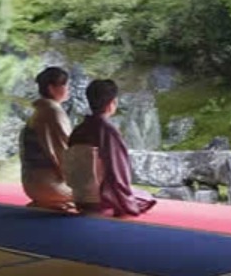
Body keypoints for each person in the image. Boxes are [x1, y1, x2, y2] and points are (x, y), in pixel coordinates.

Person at [65, 79, 156, 217]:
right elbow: (118, 173)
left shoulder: (79, 130)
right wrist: (125, 199)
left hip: (80, 196)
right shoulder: (108, 132)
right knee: (145, 198)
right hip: (101, 199)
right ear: (112, 103)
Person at [20, 67, 76, 212]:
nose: (68, 89)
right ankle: (57, 201)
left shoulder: (39, 111)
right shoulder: (53, 112)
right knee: (101, 193)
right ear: (51, 88)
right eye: (65, 85)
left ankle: (49, 202)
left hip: (31, 185)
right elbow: (64, 152)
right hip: (50, 186)